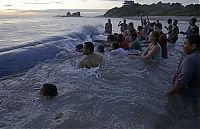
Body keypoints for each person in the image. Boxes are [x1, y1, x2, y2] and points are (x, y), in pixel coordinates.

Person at [166, 35, 200, 115]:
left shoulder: (190, 59)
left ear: (193, 46)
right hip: (196, 98)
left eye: (185, 43)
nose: (182, 46)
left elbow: (181, 84)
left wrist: (167, 94)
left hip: (186, 99)